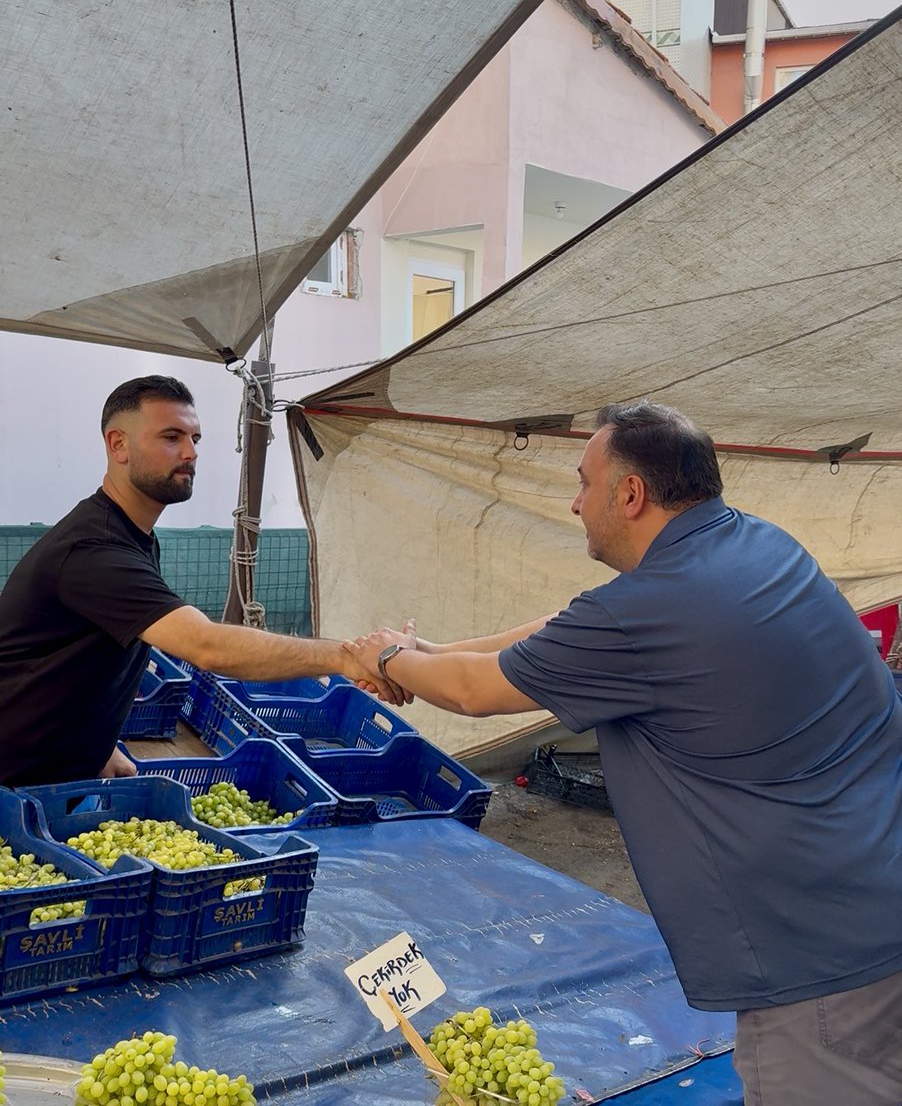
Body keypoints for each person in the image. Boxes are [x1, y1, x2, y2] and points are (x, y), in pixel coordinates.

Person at [346, 400, 902, 1106]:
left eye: (584, 483)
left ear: (631, 494)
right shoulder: (757, 548)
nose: (576, 504)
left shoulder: (651, 611)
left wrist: (387, 656)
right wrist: (426, 652)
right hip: (878, 895)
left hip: (820, 963)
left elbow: (473, 693)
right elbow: (560, 630)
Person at [0, 375, 402, 789]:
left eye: (196, 438)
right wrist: (346, 658)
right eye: (172, 437)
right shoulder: (94, 550)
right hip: (16, 785)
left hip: (55, 776)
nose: (191, 453)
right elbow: (207, 646)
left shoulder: (128, 534)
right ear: (118, 444)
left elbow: (72, 658)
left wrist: (99, 745)